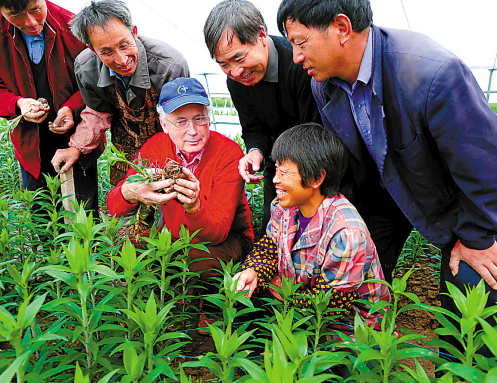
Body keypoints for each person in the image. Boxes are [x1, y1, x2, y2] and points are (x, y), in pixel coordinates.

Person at [276, 0, 497, 352]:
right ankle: (363, 360)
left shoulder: (430, 73)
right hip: (385, 193)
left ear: (342, 28)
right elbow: (350, 162)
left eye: (301, 43)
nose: (296, 57)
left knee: (473, 294)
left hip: (458, 201)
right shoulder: (325, 85)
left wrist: (476, 238)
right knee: (356, 276)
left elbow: (484, 168)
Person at [234, 123, 390, 326]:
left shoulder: (346, 232)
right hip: (299, 311)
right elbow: (269, 248)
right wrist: (253, 272)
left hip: (353, 328)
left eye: (285, 172)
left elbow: (330, 304)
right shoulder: (285, 208)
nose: (275, 180)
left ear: (316, 178)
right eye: (276, 169)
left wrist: (283, 293)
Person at [107, 77, 254, 282]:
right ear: (164, 124)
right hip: (172, 235)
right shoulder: (156, 146)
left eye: (198, 119)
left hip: (228, 238)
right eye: (181, 122)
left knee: (196, 262)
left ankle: (207, 311)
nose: (192, 131)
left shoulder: (228, 153)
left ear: (208, 120)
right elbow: (114, 207)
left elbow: (218, 232)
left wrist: (195, 207)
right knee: (124, 249)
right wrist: (129, 192)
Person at [0, 0, 99, 213]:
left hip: (77, 138)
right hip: (30, 144)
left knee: (83, 217)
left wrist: (71, 107)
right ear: (0, 10)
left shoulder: (73, 26)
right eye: (16, 14)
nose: (30, 22)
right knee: (43, 218)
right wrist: (18, 103)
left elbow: (94, 82)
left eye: (35, 10)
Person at [203, 0, 319, 234]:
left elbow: (314, 129)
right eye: (224, 64)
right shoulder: (237, 81)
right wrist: (254, 152)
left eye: (239, 58)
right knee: (272, 231)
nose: (235, 72)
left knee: (313, 232)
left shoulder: (298, 65)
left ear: (261, 36)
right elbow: (253, 126)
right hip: (276, 165)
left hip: (314, 164)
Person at [51, 0, 189, 187]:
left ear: (134, 31)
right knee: (125, 206)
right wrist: (76, 147)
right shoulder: (86, 69)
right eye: (106, 52)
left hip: (169, 146)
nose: (122, 60)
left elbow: (184, 121)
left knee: (172, 204)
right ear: (92, 49)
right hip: (126, 150)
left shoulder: (168, 65)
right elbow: (97, 114)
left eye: (124, 45)